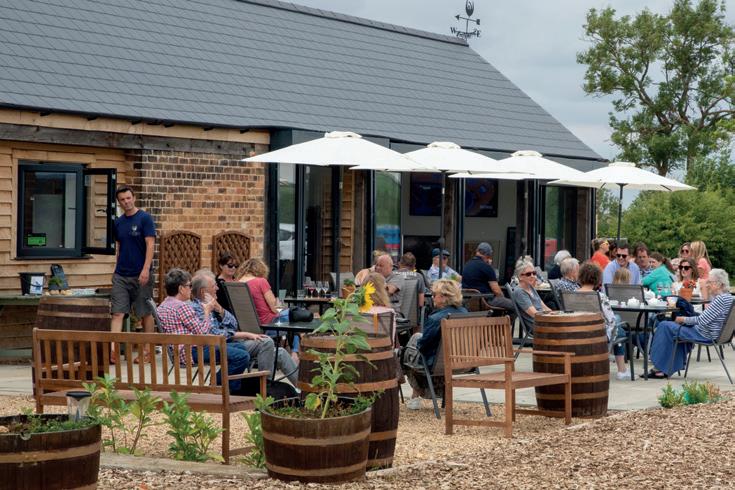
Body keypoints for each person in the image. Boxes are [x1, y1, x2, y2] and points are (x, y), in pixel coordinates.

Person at [190, 270, 298, 384]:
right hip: (222, 346)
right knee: (266, 342)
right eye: (214, 286)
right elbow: (213, 334)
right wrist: (245, 334)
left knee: (280, 353)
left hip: (230, 343)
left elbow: (234, 324)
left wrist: (220, 310)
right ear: (203, 292)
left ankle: (304, 388)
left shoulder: (213, 306)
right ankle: (265, 386)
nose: (217, 288)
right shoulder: (197, 309)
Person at [156, 268, 250, 394]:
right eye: (189, 286)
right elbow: (203, 334)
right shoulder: (182, 307)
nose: (191, 289)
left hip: (182, 349)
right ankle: (217, 386)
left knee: (240, 348)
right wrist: (207, 311)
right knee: (242, 356)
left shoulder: (163, 306)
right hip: (192, 351)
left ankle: (224, 387)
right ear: (181, 289)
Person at [649, 269, 733, 378]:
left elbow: (701, 320)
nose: (707, 285)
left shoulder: (720, 300)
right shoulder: (729, 298)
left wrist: (682, 319)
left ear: (718, 284)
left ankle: (659, 368)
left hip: (705, 334)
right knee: (674, 327)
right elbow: (707, 317)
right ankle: (667, 367)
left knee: (664, 325)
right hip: (714, 333)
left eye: (709, 282)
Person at [405, 279, 467, 409]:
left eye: (434, 295)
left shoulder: (436, 319)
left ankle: (416, 395)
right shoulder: (465, 314)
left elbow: (423, 346)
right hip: (465, 363)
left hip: (439, 365)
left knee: (406, 355)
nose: (432, 298)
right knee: (416, 342)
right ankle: (426, 393)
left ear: (444, 297)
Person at [110, 185, 156, 363]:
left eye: (128, 198)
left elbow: (150, 244)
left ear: (134, 198)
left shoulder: (144, 218)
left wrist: (145, 269)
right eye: (122, 200)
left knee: (145, 313)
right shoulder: (118, 222)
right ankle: (113, 350)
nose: (126, 202)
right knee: (117, 313)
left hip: (141, 274)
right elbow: (120, 247)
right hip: (121, 275)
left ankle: (147, 351)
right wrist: (116, 269)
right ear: (119, 202)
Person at [238, 258, 299, 363]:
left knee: (292, 315)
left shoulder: (236, 284)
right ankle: (294, 353)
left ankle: (290, 352)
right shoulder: (261, 281)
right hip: (269, 325)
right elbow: (275, 309)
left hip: (248, 327)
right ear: (260, 269)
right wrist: (279, 303)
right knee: (295, 316)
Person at [577, 262, 630, 380]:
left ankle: (622, 370)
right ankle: (622, 370)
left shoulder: (571, 295)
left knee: (617, 324)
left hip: (578, 332)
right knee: (620, 328)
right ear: (597, 278)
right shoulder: (600, 297)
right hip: (597, 334)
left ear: (580, 276)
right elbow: (611, 321)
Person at [460, 242, 515, 311]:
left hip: (469, 302)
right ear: (488, 255)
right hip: (485, 301)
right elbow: (496, 290)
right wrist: (503, 298)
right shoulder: (486, 267)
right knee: (514, 305)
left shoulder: (467, 265)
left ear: (477, 252)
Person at [511, 258, 552, 332]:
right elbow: (535, 314)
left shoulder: (530, 287)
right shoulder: (520, 292)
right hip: (537, 326)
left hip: (544, 321)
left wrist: (555, 315)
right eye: (528, 274)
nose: (532, 276)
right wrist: (551, 318)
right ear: (520, 277)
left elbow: (545, 307)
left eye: (534, 273)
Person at [362, 272, 398, 340]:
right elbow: (391, 337)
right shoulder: (389, 312)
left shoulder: (353, 311)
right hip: (384, 346)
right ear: (383, 290)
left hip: (359, 347)